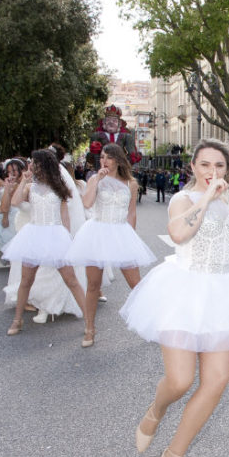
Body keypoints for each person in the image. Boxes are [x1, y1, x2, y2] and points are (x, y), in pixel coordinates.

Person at [121, 139, 229, 457]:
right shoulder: (183, 199)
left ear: (227, 170)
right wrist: (205, 199)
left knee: (216, 382)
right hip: (184, 291)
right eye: (205, 165)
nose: (212, 172)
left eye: (219, 166)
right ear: (193, 167)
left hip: (222, 292)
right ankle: (155, 411)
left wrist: (219, 198)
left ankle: (175, 454)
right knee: (179, 381)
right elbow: (178, 233)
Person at [65, 144, 155, 347]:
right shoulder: (95, 179)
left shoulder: (130, 183)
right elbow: (87, 203)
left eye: (109, 157)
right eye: (102, 157)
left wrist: (131, 237)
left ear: (118, 160)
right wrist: (97, 180)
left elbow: (132, 212)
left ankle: (151, 322)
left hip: (121, 232)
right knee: (93, 286)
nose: (104, 161)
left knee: (136, 284)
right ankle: (89, 329)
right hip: (97, 232)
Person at [1, 150, 87, 337]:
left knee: (71, 280)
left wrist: (68, 240)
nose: (31, 165)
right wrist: (24, 180)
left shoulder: (60, 188)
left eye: (34, 163)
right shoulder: (30, 187)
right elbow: (15, 202)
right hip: (34, 235)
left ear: (44, 165)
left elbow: (65, 217)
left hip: (56, 235)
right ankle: (17, 320)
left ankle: (89, 323)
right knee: (26, 281)